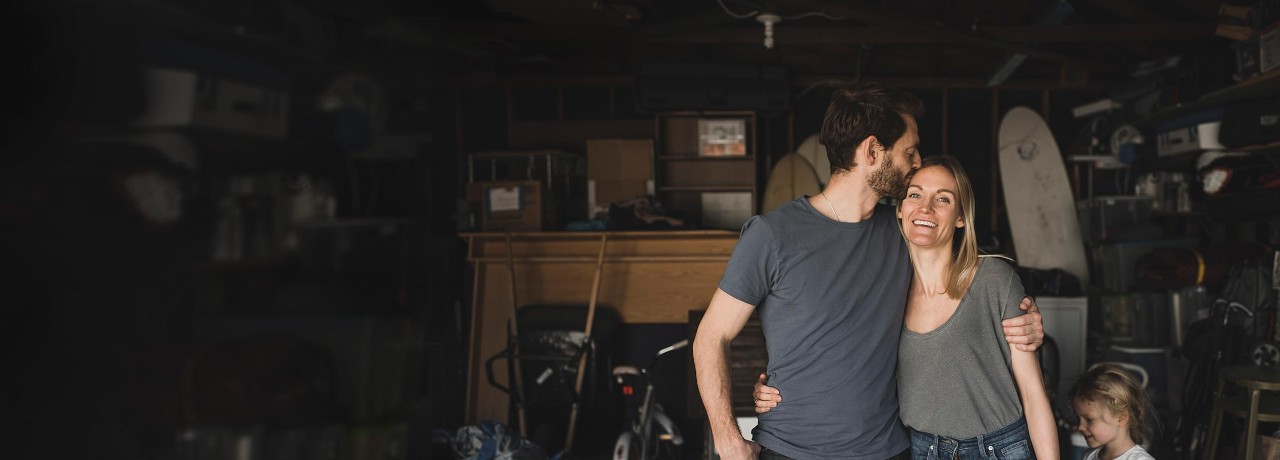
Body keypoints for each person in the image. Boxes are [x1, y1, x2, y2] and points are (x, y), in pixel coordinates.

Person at [693, 82, 1045, 460]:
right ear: (873, 151)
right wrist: (728, 440)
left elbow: (965, 278)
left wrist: (1026, 319)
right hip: (791, 451)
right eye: (909, 151)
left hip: (889, 451)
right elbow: (710, 338)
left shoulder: (902, 231)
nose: (916, 162)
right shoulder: (772, 235)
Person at [755, 155, 1059, 458]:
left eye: (943, 199)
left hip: (998, 449)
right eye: (915, 195)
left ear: (961, 217)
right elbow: (837, 352)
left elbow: (1034, 395)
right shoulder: (885, 286)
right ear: (900, 208)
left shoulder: (994, 279)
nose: (925, 208)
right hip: (921, 449)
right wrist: (780, 388)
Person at [1070, 365, 1157, 460]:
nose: (1080, 427)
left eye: (1089, 420)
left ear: (1121, 418)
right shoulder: (1089, 456)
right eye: (1078, 418)